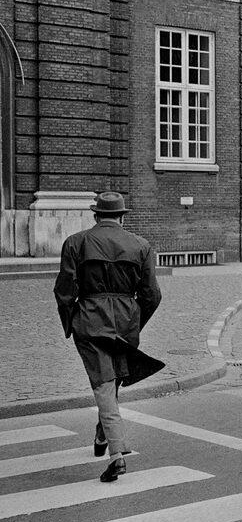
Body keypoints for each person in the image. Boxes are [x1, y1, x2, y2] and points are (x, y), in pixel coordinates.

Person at [53, 191, 164, 483]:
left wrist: (71, 322)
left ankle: (116, 455)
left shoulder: (76, 242)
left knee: (103, 383)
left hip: (90, 319)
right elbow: (152, 295)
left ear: (96, 215)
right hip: (125, 320)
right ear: (122, 217)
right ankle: (102, 435)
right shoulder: (141, 245)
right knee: (110, 380)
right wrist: (135, 322)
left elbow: (64, 290)